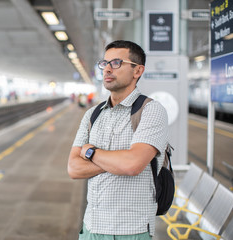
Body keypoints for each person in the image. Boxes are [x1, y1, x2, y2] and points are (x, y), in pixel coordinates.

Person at [68, 40, 168, 239]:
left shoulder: (151, 111)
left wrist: (91, 152)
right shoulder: (92, 114)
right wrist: (117, 162)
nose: (107, 69)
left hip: (130, 230)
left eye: (116, 63)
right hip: (90, 229)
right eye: (104, 63)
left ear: (137, 71)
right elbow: (74, 168)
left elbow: (132, 165)